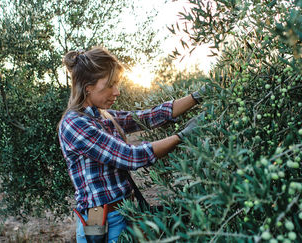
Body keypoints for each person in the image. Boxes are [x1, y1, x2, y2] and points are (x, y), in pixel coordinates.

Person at [58, 46, 203, 243]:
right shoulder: (74, 124)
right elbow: (130, 157)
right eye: (110, 85)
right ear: (88, 87)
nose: (116, 92)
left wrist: (197, 96)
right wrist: (182, 136)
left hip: (124, 214)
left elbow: (148, 116)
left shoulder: (103, 115)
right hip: (102, 223)